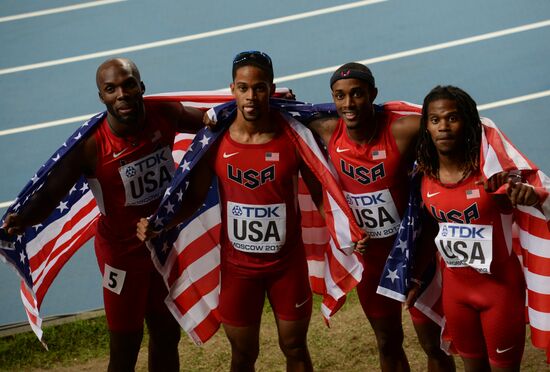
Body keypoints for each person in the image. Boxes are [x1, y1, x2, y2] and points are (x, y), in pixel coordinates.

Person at [137, 50, 367, 372]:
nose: (251, 96)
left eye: (259, 88)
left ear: (271, 90)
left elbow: (321, 197)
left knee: (295, 347)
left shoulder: (293, 138)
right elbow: (192, 199)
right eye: (243, 88)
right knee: (243, 355)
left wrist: (346, 233)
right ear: (232, 89)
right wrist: (160, 224)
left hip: (287, 266)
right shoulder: (216, 141)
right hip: (238, 270)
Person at [2, 58, 206, 372]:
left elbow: (212, 122)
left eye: (128, 84)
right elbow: (51, 193)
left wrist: (265, 108)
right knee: (125, 348)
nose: (121, 94)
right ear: (102, 97)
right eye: (111, 89)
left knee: (166, 333)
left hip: (161, 246)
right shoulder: (91, 147)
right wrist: (22, 219)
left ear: (142, 87)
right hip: (121, 258)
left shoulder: (165, 113)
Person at [306, 63, 455, 371]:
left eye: (357, 94)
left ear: (373, 94)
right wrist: (339, 225)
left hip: (415, 253)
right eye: (340, 96)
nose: (349, 104)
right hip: (371, 262)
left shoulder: (403, 130)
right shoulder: (326, 130)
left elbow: (454, 124)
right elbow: (281, 127)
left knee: (434, 345)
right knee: (387, 342)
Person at [406, 85, 541, 371]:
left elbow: (527, 194)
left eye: (452, 118)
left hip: (500, 294)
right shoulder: (425, 177)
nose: (443, 127)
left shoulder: (494, 175)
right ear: (426, 127)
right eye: (435, 120)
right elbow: (431, 232)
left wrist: (526, 194)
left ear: (468, 122)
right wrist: (417, 277)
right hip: (456, 294)